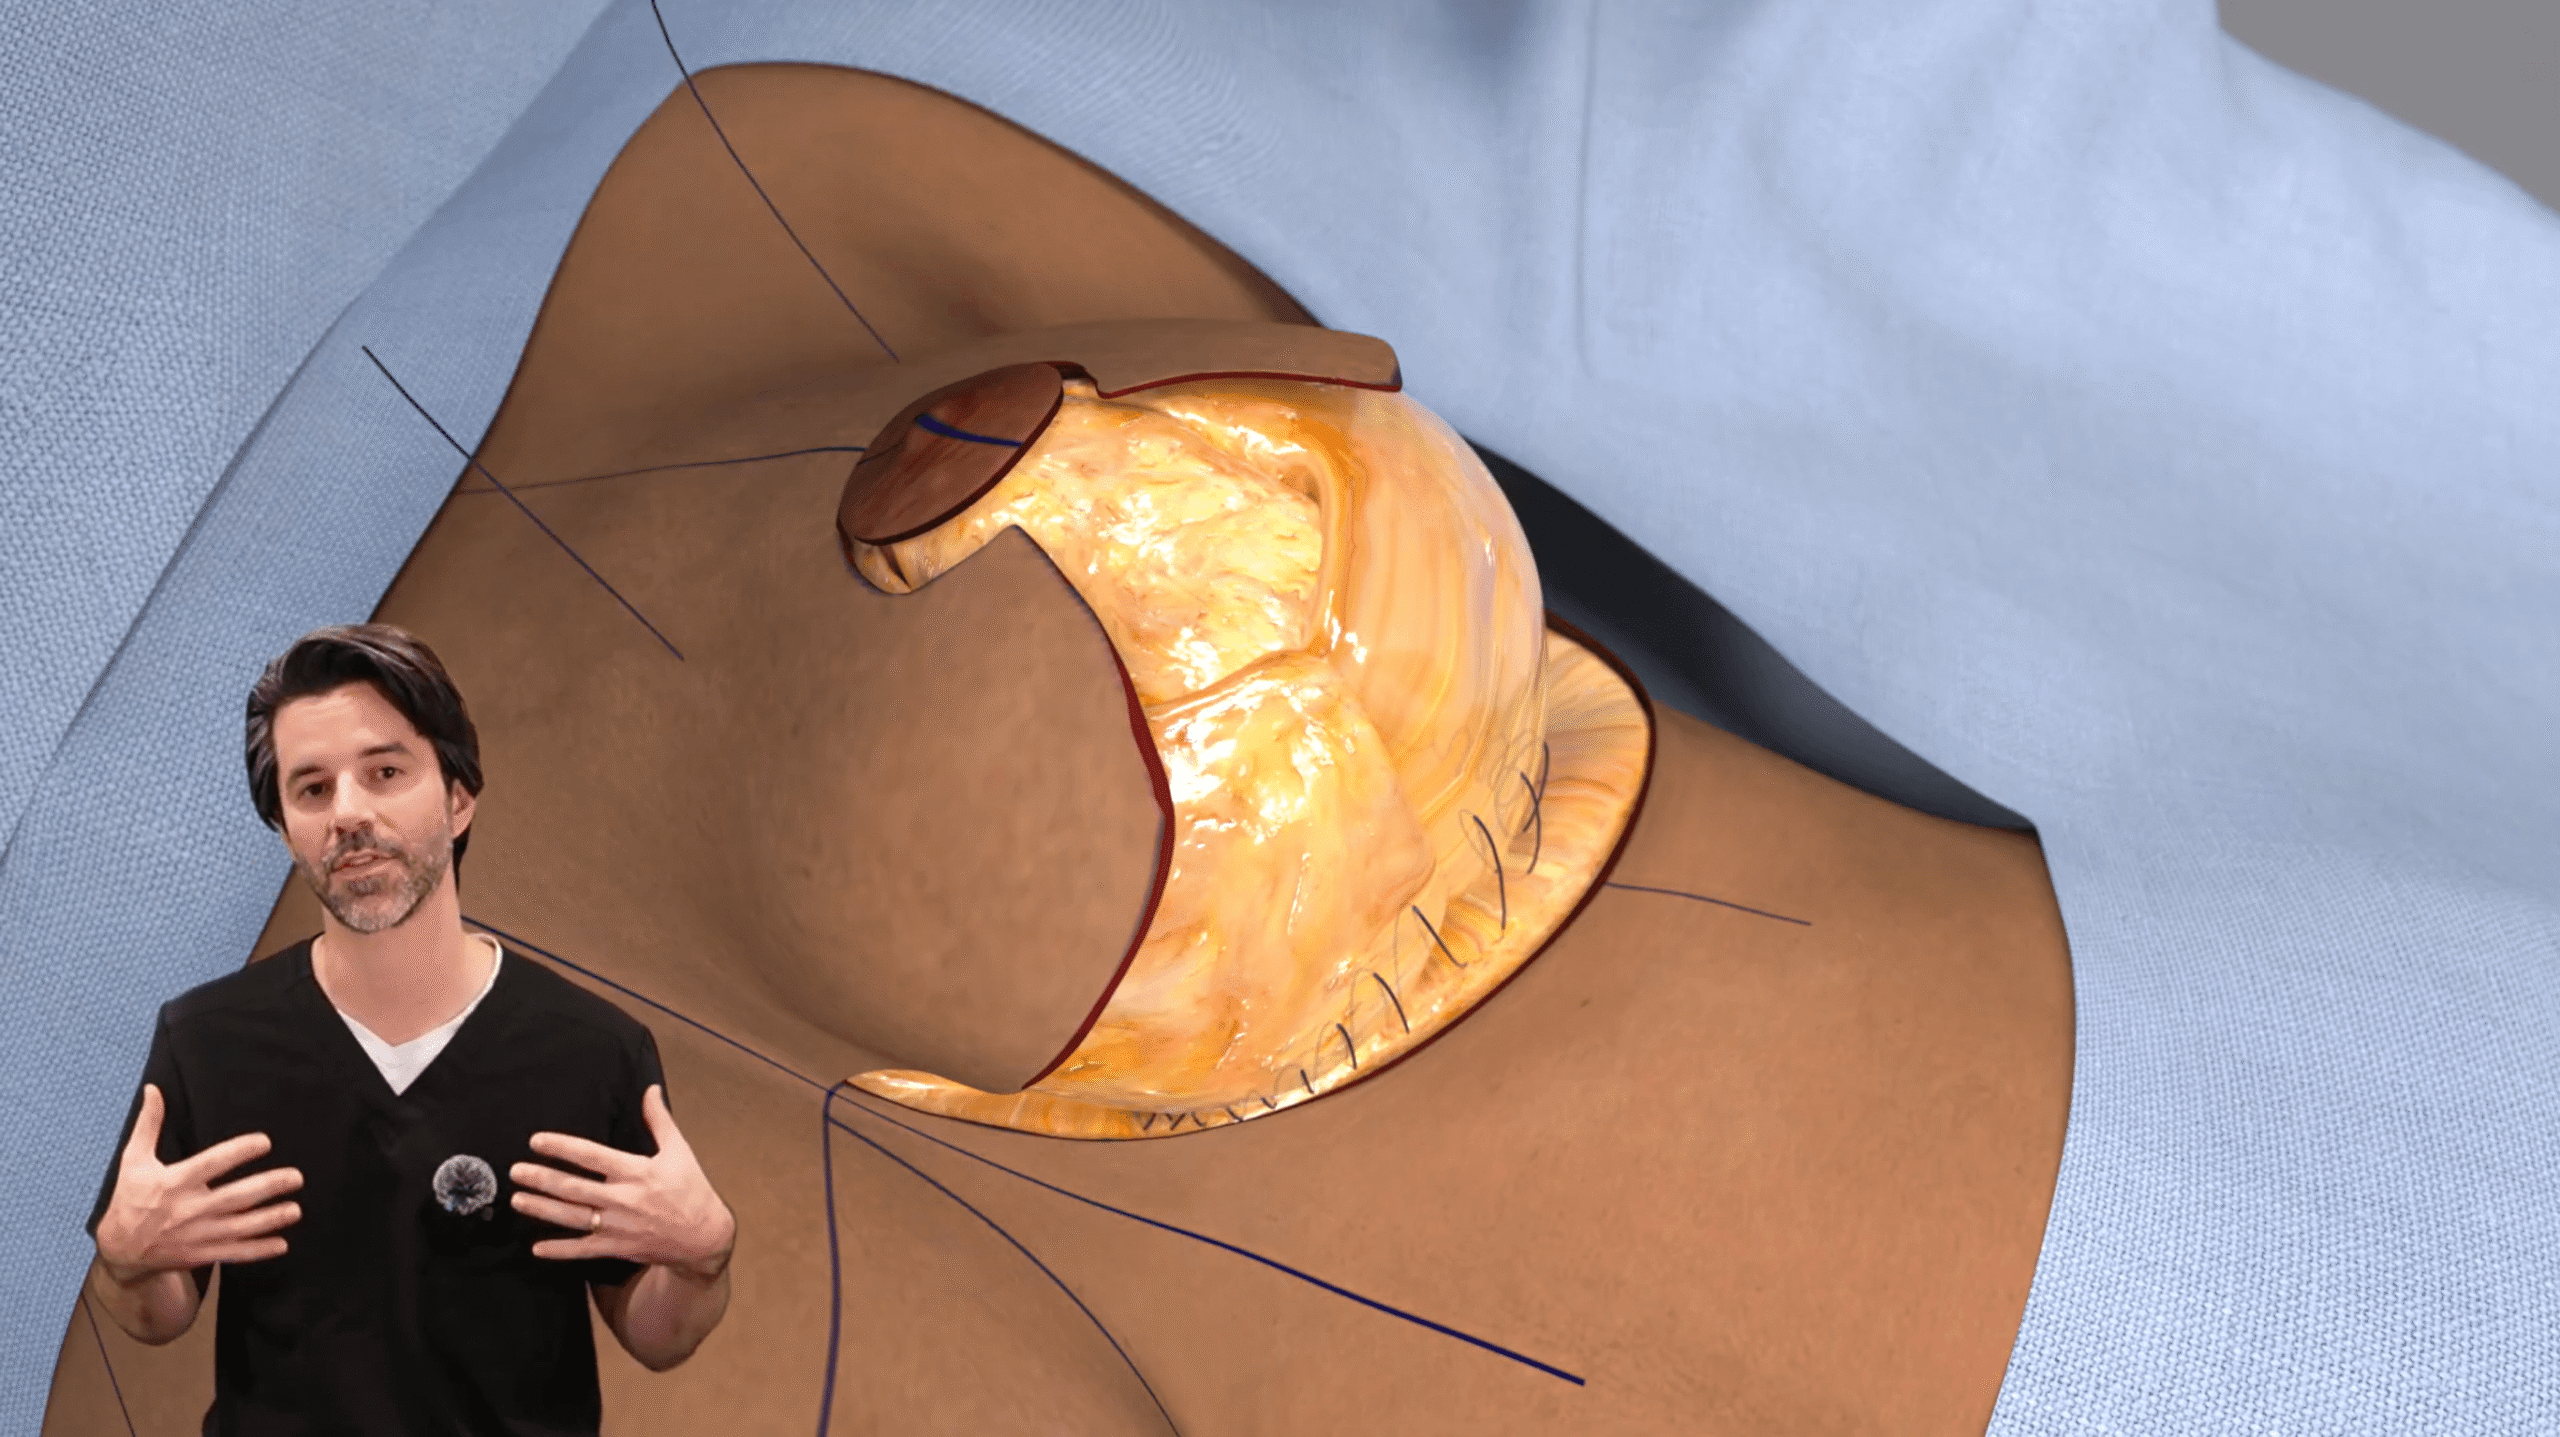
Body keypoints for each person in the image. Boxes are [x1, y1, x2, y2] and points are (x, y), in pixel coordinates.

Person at [83, 623, 738, 1435]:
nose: (348, 812)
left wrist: (701, 1258)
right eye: (311, 789)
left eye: (385, 772)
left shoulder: (593, 1050)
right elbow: (157, 1315)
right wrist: (124, 1260)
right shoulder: (206, 1041)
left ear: (458, 797)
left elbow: (657, 1334)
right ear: (285, 829)